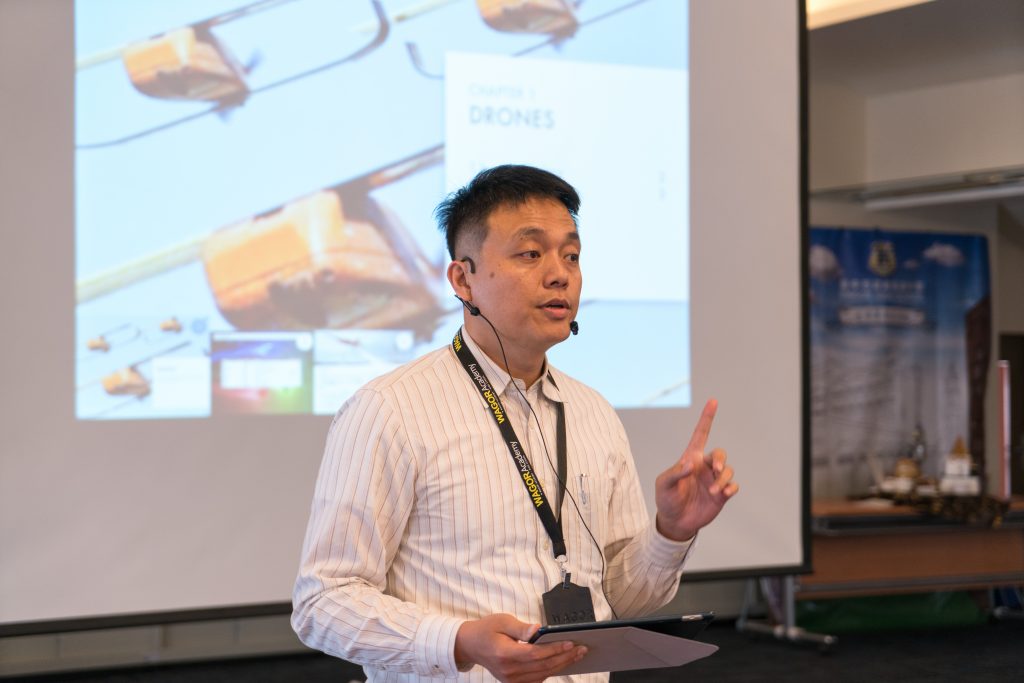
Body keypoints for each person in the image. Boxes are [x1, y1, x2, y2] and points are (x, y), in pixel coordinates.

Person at [292, 165, 738, 683]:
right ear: (463, 280)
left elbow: (619, 600)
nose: (560, 274)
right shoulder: (389, 410)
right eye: (530, 253)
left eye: (571, 255)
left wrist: (671, 531)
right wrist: (459, 641)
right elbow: (324, 602)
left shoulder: (593, 413)